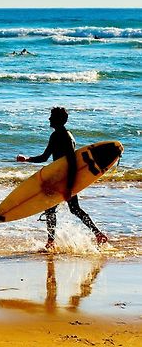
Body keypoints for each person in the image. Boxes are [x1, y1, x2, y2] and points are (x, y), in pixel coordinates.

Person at [16, 107, 108, 250]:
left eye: (51, 117)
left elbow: (72, 163)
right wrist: (27, 159)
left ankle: (52, 242)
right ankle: (97, 234)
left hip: (64, 179)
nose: (49, 119)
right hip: (62, 178)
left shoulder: (63, 136)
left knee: (57, 209)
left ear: (58, 119)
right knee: (72, 209)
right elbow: (45, 157)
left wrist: (69, 187)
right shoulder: (59, 135)